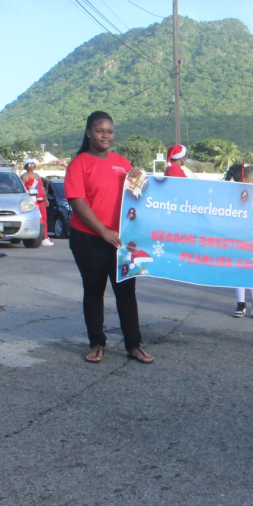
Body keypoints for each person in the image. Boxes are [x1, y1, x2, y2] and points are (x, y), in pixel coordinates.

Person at [64, 111, 153, 365]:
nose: (106, 135)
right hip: (89, 238)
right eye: (100, 130)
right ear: (89, 132)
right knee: (94, 291)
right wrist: (103, 231)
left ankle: (134, 345)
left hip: (122, 241)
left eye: (110, 131)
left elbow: (139, 196)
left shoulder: (123, 163)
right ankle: (97, 344)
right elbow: (77, 202)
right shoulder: (79, 163)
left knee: (126, 292)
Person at [21, 161, 54, 247]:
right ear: (26, 166)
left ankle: (45, 237)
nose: (31, 166)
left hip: (41, 199)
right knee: (39, 219)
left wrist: (45, 198)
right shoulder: (24, 176)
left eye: (33, 164)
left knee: (44, 218)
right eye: (29, 165)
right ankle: (42, 238)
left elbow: (41, 188)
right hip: (33, 199)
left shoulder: (37, 175)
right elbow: (23, 189)